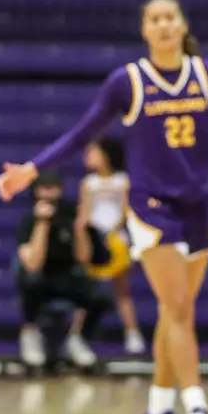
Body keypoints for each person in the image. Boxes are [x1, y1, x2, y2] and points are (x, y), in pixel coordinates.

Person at [0, 0, 208, 414]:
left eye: (170, 18)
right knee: (179, 308)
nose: (163, 25)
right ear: (144, 30)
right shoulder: (127, 82)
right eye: (154, 19)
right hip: (151, 206)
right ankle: (196, 405)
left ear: (183, 26)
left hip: (199, 205)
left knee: (175, 311)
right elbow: (81, 132)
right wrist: (32, 167)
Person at [14, 168, 112, 370]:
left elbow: (84, 259)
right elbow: (33, 263)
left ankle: (77, 339)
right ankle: (30, 333)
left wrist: (79, 229)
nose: (51, 194)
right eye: (46, 189)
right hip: (42, 278)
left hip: (67, 276)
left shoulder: (70, 218)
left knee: (100, 297)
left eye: (55, 188)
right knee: (30, 282)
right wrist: (43, 223)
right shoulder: (28, 222)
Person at [77, 137, 145, 355]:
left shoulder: (122, 180)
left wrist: (113, 232)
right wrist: (86, 234)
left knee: (122, 291)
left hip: (117, 239)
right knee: (84, 291)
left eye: (92, 151)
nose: (87, 156)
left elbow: (127, 210)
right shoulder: (88, 183)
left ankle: (133, 334)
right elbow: (84, 213)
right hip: (94, 239)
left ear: (105, 154)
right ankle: (77, 336)